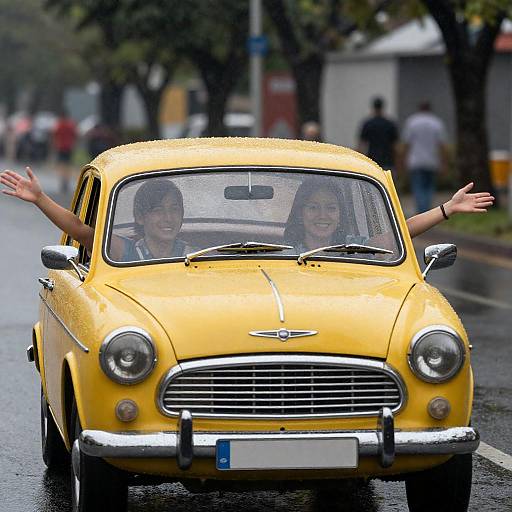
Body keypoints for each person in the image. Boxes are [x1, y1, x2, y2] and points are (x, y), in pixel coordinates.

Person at [0, 168, 190, 262]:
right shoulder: (123, 250)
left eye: (174, 209)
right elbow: (79, 230)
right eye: (158, 210)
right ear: (140, 217)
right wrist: (39, 198)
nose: (168, 217)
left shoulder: (196, 253)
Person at [284, 178, 494, 252]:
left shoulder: (356, 248)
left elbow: (400, 233)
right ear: (300, 212)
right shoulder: (283, 254)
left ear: (340, 214)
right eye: (312, 207)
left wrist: (447, 209)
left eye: (331, 208)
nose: (323, 215)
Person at [402, 101, 449, 213]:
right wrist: (444, 163)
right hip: (432, 161)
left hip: (415, 161)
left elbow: (406, 144)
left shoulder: (412, 122)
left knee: (418, 188)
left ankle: (421, 211)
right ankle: (427, 210)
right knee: (429, 188)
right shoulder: (437, 123)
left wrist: (403, 160)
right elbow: (442, 145)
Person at [358, 97, 399, 170]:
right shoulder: (389, 124)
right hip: (387, 160)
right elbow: (395, 146)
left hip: (372, 160)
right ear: (382, 107)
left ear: (373, 107)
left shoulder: (368, 124)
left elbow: (362, 145)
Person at [52, 108, 77, 193]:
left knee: (62, 164)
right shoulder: (71, 124)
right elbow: (75, 134)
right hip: (69, 147)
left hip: (60, 147)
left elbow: (55, 134)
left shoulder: (59, 124)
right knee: (68, 164)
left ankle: (63, 181)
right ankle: (67, 180)